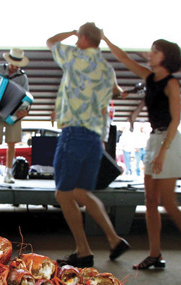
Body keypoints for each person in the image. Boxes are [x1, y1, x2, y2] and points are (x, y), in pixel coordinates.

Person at [103, 33, 181, 272]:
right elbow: (124, 59)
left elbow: (176, 120)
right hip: (154, 139)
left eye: (155, 51)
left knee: (168, 203)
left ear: (166, 57)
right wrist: (106, 40)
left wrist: (163, 151)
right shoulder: (150, 78)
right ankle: (154, 254)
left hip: (168, 141)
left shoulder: (171, 83)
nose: (150, 54)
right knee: (150, 202)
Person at [46, 23, 130, 269]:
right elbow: (116, 92)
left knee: (63, 194)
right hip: (95, 139)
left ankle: (83, 251)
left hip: (74, 133)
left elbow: (50, 40)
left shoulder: (73, 56)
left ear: (82, 38)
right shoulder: (107, 69)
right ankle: (114, 240)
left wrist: (69, 33)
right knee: (82, 192)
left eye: (77, 37)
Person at [0, 48, 30, 183]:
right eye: (13, 63)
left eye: (17, 64)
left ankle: (8, 174)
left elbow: (26, 97)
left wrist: (24, 110)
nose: (15, 66)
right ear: (8, 61)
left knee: (12, 143)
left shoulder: (22, 77)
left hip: (12, 113)